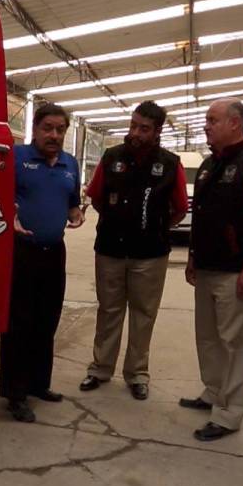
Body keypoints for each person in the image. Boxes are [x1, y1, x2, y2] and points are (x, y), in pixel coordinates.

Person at [180, 98, 243, 441]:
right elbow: (203, 217)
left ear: (235, 123)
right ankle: (213, 390)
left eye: (212, 120)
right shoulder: (209, 164)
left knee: (234, 341)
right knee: (207, 337)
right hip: (207, 267)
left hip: (237, 270)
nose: (206, 125)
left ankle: (230, 412)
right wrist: (193, 256)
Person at [80, 101, 188, 401]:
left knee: (143, 314)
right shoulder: (112, 157)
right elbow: (97, 198)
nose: (135, 133)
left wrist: (154, 228)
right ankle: (100, 368)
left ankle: (137, 373)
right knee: (109, 310)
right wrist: (117, 222)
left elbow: (179, 209)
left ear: (157, 132)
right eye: (133, 125)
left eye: (143, 128)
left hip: (151, 254)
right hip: (110, 250)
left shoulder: (169, 163)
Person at [0, 103, 84, 423]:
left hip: (54, 252)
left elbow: (72, 202)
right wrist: (10, 213)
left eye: (60, 130)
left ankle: (38, 385)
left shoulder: (69, 164)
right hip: (21, 251)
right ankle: (15, 394)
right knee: (19, 323)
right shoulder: (17, 157)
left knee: (47, 320)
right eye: (48, 128)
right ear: (34, 129)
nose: (54, 135)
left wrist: (76, 214)